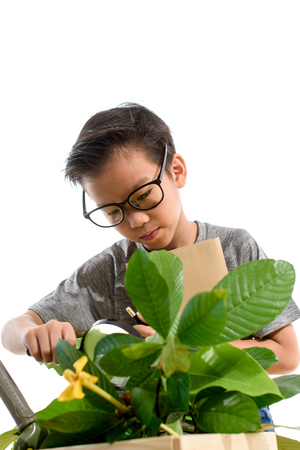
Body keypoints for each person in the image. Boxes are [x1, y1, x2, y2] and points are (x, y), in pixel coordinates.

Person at [2, 103, 300, 379]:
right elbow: (13, 330)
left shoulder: (233, 247)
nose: (136, 220)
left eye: (143, 196)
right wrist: (31, 335)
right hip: (149, 427)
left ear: (176, 171)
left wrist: (185, 348)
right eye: (112, 211)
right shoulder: (112, 269)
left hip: (237, 421)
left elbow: (287, 355)